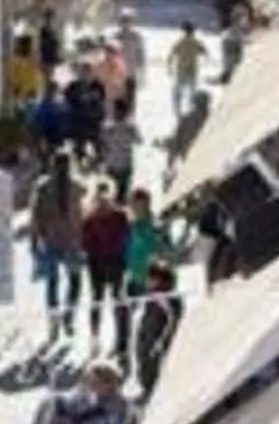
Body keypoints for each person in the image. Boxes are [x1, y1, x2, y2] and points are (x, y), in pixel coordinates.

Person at [27, 153, 84, 339]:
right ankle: (68, 317)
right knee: (75, 281)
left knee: (53, 283)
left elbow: (35, 215)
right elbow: (83, 214)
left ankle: (53, 323)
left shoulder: (43, 186)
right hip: (73, 241)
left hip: (51, 239)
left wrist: (34, 240)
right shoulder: (77, 186)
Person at [118, 188, 175, 366]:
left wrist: (159, 270)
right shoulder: (131, 227)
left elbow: (169, 254)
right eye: (131, 205)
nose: (133, 209)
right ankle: (123, 352)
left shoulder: (156, 227)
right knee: (122, 315)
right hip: (135, 280)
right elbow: (128, 252)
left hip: (155, 284)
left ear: (146, 204)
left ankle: (152, 360)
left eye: (137, 205)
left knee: (149, 329)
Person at [77, 184, 133, 352]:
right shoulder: (90, 219)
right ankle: (95, 338)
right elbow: (85, 244)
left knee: (118, 299)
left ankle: (122, 339)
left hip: (115, 262)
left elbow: (128, 237)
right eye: (99, 199)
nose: (103, 202)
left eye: (106, 198)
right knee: (98, 300)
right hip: (97, 263)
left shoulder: (121, 216)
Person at [131, 256, 181, 398]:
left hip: (155, 339)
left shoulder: (168, 297)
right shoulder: (152, 295)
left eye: (150, 278)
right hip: (147, 336)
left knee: (153, 366)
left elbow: (173, 320)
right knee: (144, 362)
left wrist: (161, 340)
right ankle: (147, 389)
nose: (147, 281)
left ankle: (152, 392)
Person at [99, 95, 139, 199]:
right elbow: (103, 142)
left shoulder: (129, 126)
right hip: (113, 162)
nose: (117, 113)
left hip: (123, 162)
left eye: (119, 111)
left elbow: (138, 139)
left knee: (121, 192)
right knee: (111, 191)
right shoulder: (108, 125)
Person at [168, 22, 207, 114]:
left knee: (178, 90)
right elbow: (204, 52)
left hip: (181, 69)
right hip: (192, 69)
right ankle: (191, 108)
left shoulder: (180, 42)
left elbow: (172, 54)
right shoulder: (195, 42)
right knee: (192, 90)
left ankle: (177, 108)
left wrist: (169, 67)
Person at [115, 9, 148, 102]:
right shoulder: (116, 37)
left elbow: (141, 54)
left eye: (128, 20)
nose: (126, 23)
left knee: (131, 97)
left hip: (131, 72)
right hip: (118, 73)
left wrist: (142, 71)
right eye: (124, 20)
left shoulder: (136, 37)